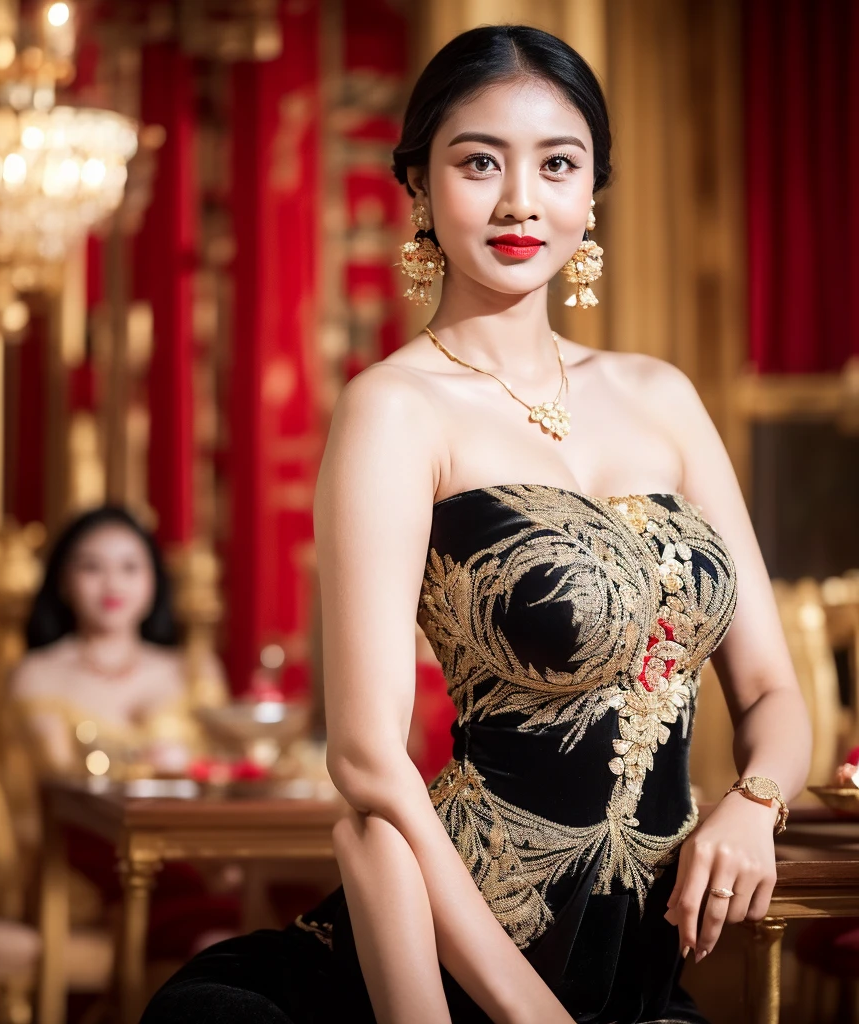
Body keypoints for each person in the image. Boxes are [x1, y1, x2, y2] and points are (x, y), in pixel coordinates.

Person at [140, 24, 812, 1024]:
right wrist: (525, 1010)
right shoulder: (395, 408)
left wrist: (755, 803)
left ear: (592, 194)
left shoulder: (661, 396)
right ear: (417, 186)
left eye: (556, 164)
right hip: (448, 954)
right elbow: (366, 758)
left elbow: (769, 691)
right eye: (478, 162)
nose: (517, 200)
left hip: (637, 970)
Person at [10, 505, 238, 961]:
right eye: (92, 566)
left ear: (153, 580)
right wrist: (150, 766)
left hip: (192, 842)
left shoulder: (193, 669)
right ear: (63, 581)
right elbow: (60, 786)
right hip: (87, 850)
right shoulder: (39, 673)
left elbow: (226, 772)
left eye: (130, 567)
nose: (113, 584)